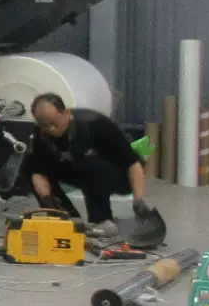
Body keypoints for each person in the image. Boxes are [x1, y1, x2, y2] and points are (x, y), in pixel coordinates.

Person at [21, 93, 153, 222]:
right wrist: (47, 199)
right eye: (45, 126)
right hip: (77, 169)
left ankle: (101, 220)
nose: (51, 129)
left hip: (118, 175)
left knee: (91, 166)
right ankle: (64, 217)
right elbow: (38, 170)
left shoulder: (96, 124)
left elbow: (132, 164)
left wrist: (139, 200)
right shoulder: (41, 133)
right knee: (28, 164)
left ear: (65, 113)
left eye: (53, 123)